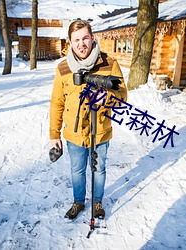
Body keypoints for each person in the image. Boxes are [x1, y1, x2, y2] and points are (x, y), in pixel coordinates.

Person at [49, 20, 127, 220]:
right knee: (77, 170)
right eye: (76, 40)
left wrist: (105, 98)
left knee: (99, 168)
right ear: (70, 42)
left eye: (85, 38)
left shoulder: (109, 64)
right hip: (74, 133)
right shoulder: (63, 68)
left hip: (100, 130)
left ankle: (98, 202)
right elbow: (57, 102)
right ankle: (78, 202)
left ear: (92, 38)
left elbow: (123, 96)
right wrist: (54, 134)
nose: (81, 43)